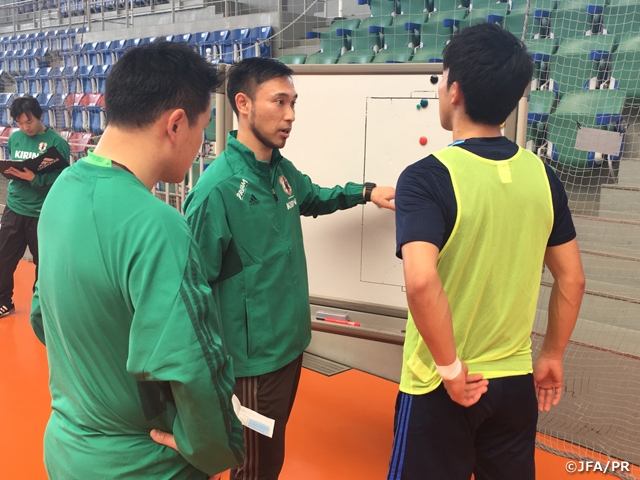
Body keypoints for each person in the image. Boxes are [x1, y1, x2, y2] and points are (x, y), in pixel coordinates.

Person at [30, 41, 244, 479]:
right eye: (203, 129)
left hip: (68, 449)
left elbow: (40, 317)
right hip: (142, 463)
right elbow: (190, 366)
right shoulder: (156, 224)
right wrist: (212, 449)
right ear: (176, 124)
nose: (202, 143)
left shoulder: (61, 190)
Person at [388, 23, 586, 480]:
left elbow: (420, 281)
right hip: (515, 381)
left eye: (440, 78)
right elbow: (572, 279)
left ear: (453, 90)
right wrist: (552, 356)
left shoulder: (425, 177)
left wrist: (450, 368)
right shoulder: (543, 175)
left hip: (443, 381)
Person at [183, 57, 395, 480]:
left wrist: (366, 191)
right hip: (251, 364)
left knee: (269, 455)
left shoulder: (280, 170)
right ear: (243, 104)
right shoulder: (218, 190)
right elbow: (191, 288)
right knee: (255, 467)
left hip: (291, 344)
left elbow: (314, 197)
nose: (290, 115)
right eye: (279, 102)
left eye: (293, 102)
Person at [0, 96, 69, 318]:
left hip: (42, 212)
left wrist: (34, 179)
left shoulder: (57, 143)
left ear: (40, 116)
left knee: (43, 262)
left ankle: (41, 307)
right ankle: (3, 301)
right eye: (20, 123)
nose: (25, 127)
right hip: (15, 207)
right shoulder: (15, 138)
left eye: (29, 121)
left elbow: (62, 177)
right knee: (4, 257)